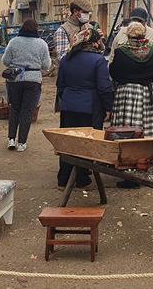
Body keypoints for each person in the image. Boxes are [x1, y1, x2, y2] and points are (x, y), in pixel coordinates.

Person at [56, 27, 113, 189]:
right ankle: (81, 177)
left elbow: (60, 84)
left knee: (67, 141)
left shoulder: (67, 58)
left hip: (68, 105)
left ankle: (64, 178)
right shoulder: (98, 60)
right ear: (94, 42)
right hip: (90, 107)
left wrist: (66, 98)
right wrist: (108, 107)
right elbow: (104, 87)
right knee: (87, 142)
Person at [1, 19, 51, 152]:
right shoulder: (42, 44)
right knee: (27, 112)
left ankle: (11, 139)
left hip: (15, 80)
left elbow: (5, 61)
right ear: (36, 29)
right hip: (33, 80)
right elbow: (46, 66)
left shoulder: (13, 42)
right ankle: (22, 143)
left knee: (15, 109)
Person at [109, 21, 153, 138]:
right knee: (150, 124)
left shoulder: (121, 51)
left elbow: (113, 71)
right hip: (151, 91)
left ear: (128, 35)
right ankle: (150, 145)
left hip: (127, 92)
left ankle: (127, 145)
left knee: (127, 125)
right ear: (144, 34)